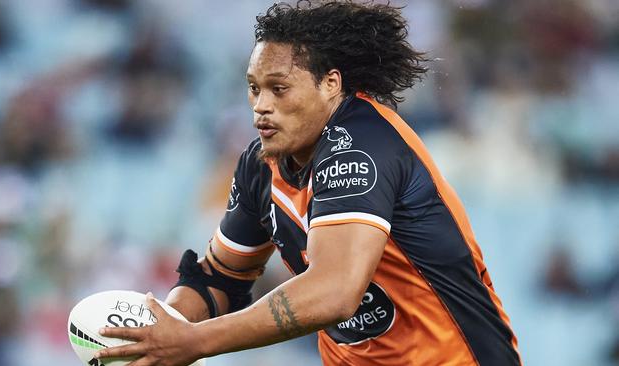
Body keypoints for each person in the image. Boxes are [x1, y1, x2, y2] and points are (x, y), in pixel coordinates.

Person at [95, 1, 521, 365]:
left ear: (330, 84)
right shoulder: (262, 165)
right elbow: (219, 279)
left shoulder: (361, 144)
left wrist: (196, 343)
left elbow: (335, 292)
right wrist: (161, 334)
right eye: (254, 89)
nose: (261, 106)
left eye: (279, 88)